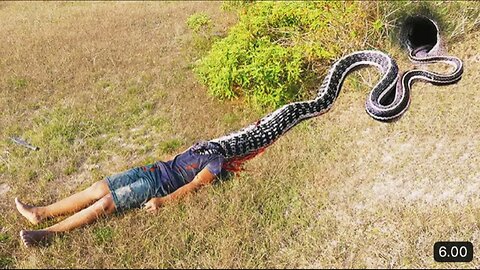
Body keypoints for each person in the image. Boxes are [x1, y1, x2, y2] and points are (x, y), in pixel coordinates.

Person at [15, 141, 230, 247]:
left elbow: (194, 185)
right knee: (97, 188)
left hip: (160, 185)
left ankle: (49, 233)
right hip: (150, 170)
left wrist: (163, 201)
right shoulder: (205, 144)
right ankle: (40, 213)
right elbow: (174, 158)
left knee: (107, 203)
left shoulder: (217, 162)